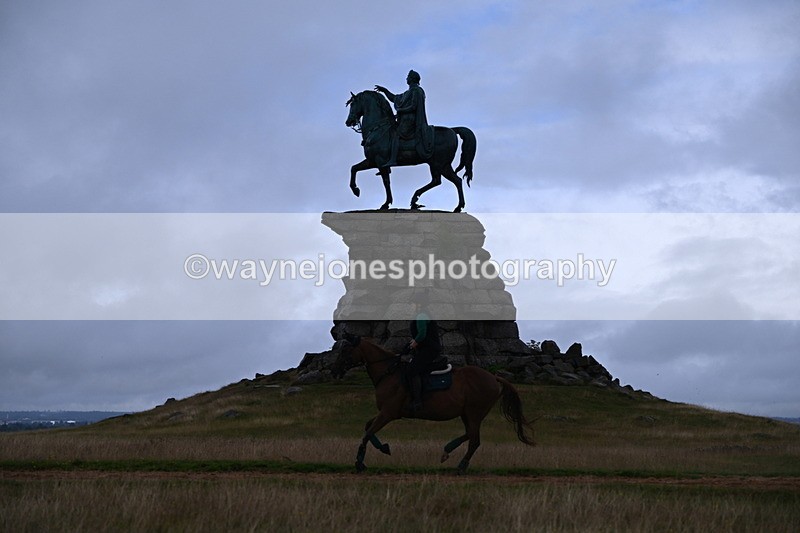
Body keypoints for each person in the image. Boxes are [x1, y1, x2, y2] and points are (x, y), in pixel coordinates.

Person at [374, 69, 434, 167]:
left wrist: (401, 110)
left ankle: (393, 159)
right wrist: (384, 90)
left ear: (412, 79)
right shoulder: (408, 92)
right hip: (405, 119)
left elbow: (413, 106)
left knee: (396, 134)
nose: (406, 78)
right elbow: (394, 98)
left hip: (410, 120)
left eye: (408, 77)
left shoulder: (417, 91)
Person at [406, 303, 441, 412]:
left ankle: (417, 402)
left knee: (412, 370)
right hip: (428, 348)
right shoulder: (423, 314)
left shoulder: (421, 316)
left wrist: (415, 342)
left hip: (429, 349)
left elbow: (422, 333)